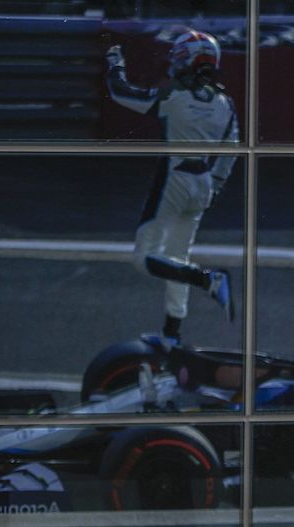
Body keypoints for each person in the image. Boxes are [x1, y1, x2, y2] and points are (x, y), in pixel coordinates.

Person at [105, 29, 239, 343]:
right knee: (178, 255)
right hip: (204, 182)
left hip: (174, 177)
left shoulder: (173, 96)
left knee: (145, 257)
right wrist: (216, 186)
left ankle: (206, 280)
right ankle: (172, 333)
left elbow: (120, 91)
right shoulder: (225, 103)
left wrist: (115, 63)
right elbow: (231, 152)